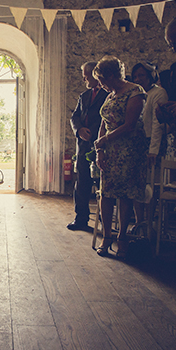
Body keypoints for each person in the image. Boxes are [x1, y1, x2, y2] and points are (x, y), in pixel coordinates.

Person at [92, 56, 148, 258]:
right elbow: (103, 123)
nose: (100, 84)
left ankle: (122, 237)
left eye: (102, 79)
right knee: (105, 193)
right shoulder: (110, 95)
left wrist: (104, 140)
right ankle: (107, 236)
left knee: (124, 194)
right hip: (109, 150)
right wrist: (99, 150)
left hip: (129, 150)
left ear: (112, 75)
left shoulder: (135, 92)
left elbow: (129, 125)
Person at [68, 61, 108, 231]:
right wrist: (79, 130)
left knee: (103, 185)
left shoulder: (109, 94)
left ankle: (105, 222)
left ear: (94, 74)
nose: (83, 77)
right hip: (83, 146)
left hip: (101, 145)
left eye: (85, 74)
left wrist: (91, 132)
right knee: (82, 183)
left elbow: (106, 118)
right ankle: (81, 218)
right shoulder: (84, 95)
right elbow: (74, 117)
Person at [130, 61, 168, 231]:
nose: (138, 79)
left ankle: (149, 222)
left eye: (142, 75)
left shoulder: (158, 94)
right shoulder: (135, 94)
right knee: (137, 185)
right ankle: (139, 222)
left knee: (150, 185)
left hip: (152, 143)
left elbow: (157, 124)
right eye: (136, 76)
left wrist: (153, 150)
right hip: (137, 144)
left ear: (151, 76)